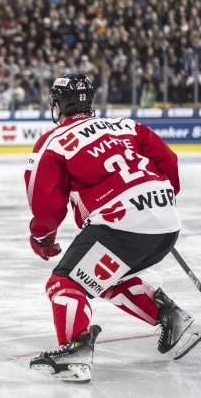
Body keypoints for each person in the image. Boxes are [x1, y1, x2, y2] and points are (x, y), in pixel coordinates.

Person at [25, 74, 201, 382]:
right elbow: (168, 161)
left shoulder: (53, 142)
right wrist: (158, 201)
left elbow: (46, 200)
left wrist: (43, 238)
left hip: (121, 224)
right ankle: (171, 317)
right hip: (165, 219)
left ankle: (75, 351)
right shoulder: (126, 125)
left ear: (57, 105)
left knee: (64, 284)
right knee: (103, 278)